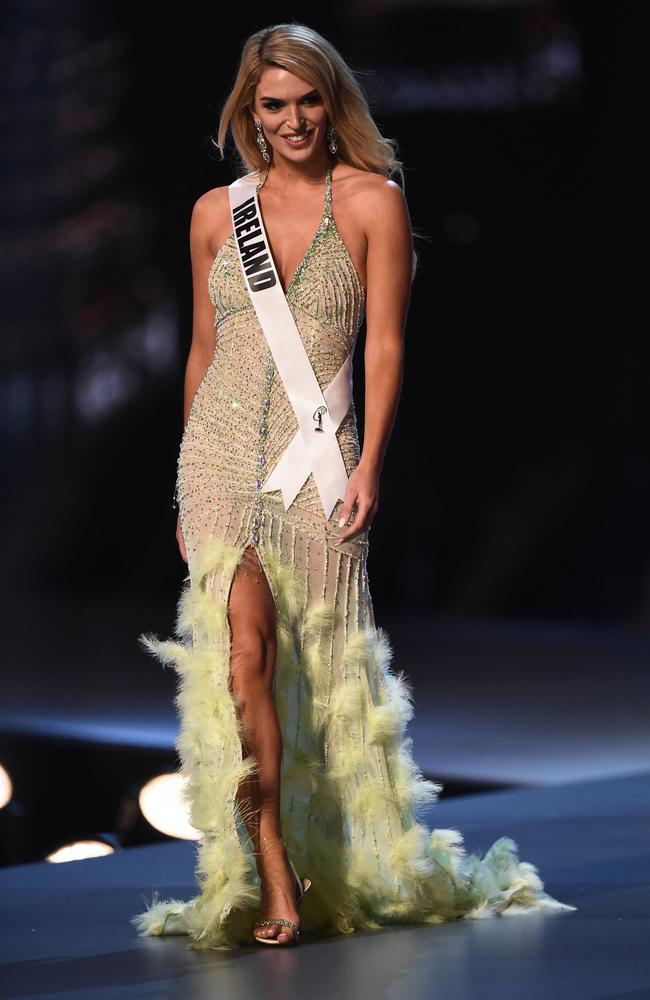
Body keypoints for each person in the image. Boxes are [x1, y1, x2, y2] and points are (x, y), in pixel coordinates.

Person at [131, 22, 576, 950]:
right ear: (248, 113)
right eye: (272, 106)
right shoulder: (218, 214)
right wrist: (184, 482)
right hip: (215, 459)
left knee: (322, 675)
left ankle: (329, 855)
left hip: (318, 460)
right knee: (240, 663)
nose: (291, 122)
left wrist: (370, 463)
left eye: (307, 102)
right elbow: (204, 352)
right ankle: (273, 871)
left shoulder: (371, 201)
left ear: (333, 103)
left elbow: (385, 345)